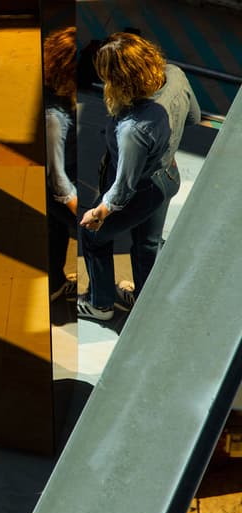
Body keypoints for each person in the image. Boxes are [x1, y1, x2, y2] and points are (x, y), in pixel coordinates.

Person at [77, 33, 200, 320]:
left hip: (140, 190)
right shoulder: (175, 75)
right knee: (147, 243)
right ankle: (143, 301)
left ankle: (101, 303)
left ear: (119, 79)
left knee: (92, 236)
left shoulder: (133, 129)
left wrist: (99, 212)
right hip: (167, 176)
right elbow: (193, 117)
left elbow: (123, 187)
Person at [43, 26, 78, 302]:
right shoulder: (54, 116)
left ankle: (54, 282)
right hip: (62, 195)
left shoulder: (52, 90)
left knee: (54, 232)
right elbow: (58, 179)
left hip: (51, 193)